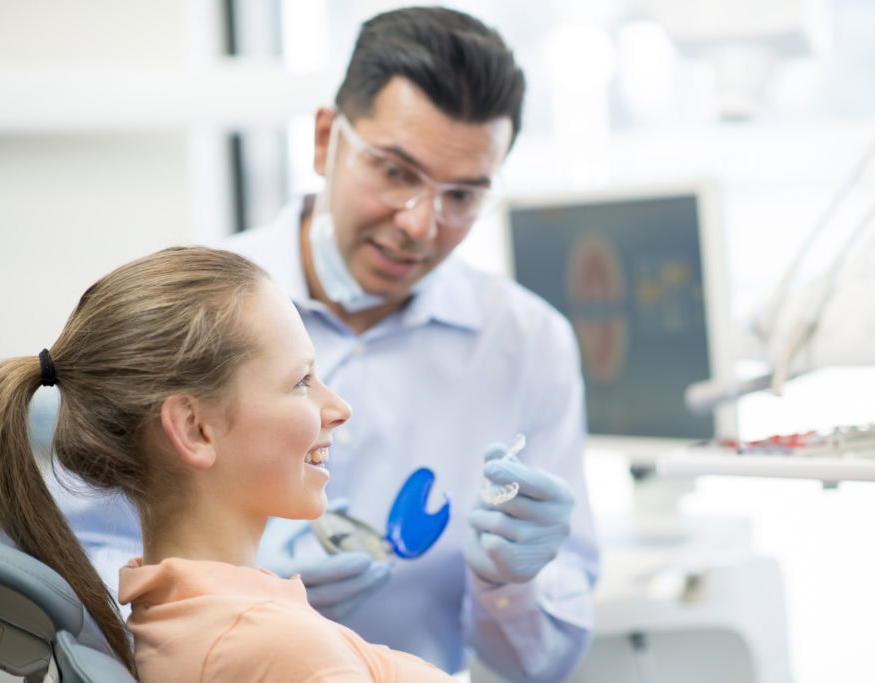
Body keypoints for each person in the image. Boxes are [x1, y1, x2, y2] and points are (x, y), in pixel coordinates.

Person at [49, 6, 600, 682]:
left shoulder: (528, 344)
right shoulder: (195, 309)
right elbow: (71, 576)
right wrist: (241, 584)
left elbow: (542, 664)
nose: (420, 224)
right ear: (324, 139)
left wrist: (510, 586)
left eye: (461, 195)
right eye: (396, 172)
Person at [0, 246, 455, 681]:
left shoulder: (189, 616)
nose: (339, 408)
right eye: (301, 381)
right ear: (194, 428)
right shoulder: (275, 646)